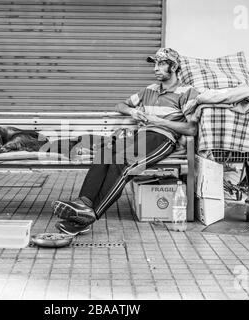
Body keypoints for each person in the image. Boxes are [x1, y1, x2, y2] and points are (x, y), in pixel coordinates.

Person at [52, 48, 200, 235]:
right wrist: (132, 112)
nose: (155, 68)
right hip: (140, 135)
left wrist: (158, 121)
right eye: (154, 64)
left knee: (122, 163)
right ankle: (84, 204)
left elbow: (191, 129)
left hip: (162, 137)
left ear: (174, 66)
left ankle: (87, 218)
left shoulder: (187, 92)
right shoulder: (149, 90)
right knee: (104, 154)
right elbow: (120, 105)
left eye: (161, 64)